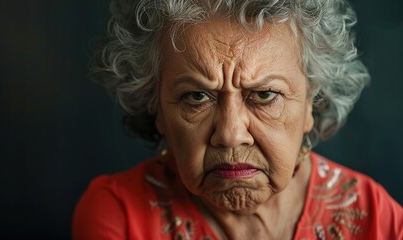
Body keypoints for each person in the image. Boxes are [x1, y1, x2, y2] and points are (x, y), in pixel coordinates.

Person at [73, 0, 403, 239]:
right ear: (156, 108)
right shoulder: (119, 216)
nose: (231, 135)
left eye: (264, 95)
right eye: (197, 97)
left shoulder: (377, 221)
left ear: (310, 106)